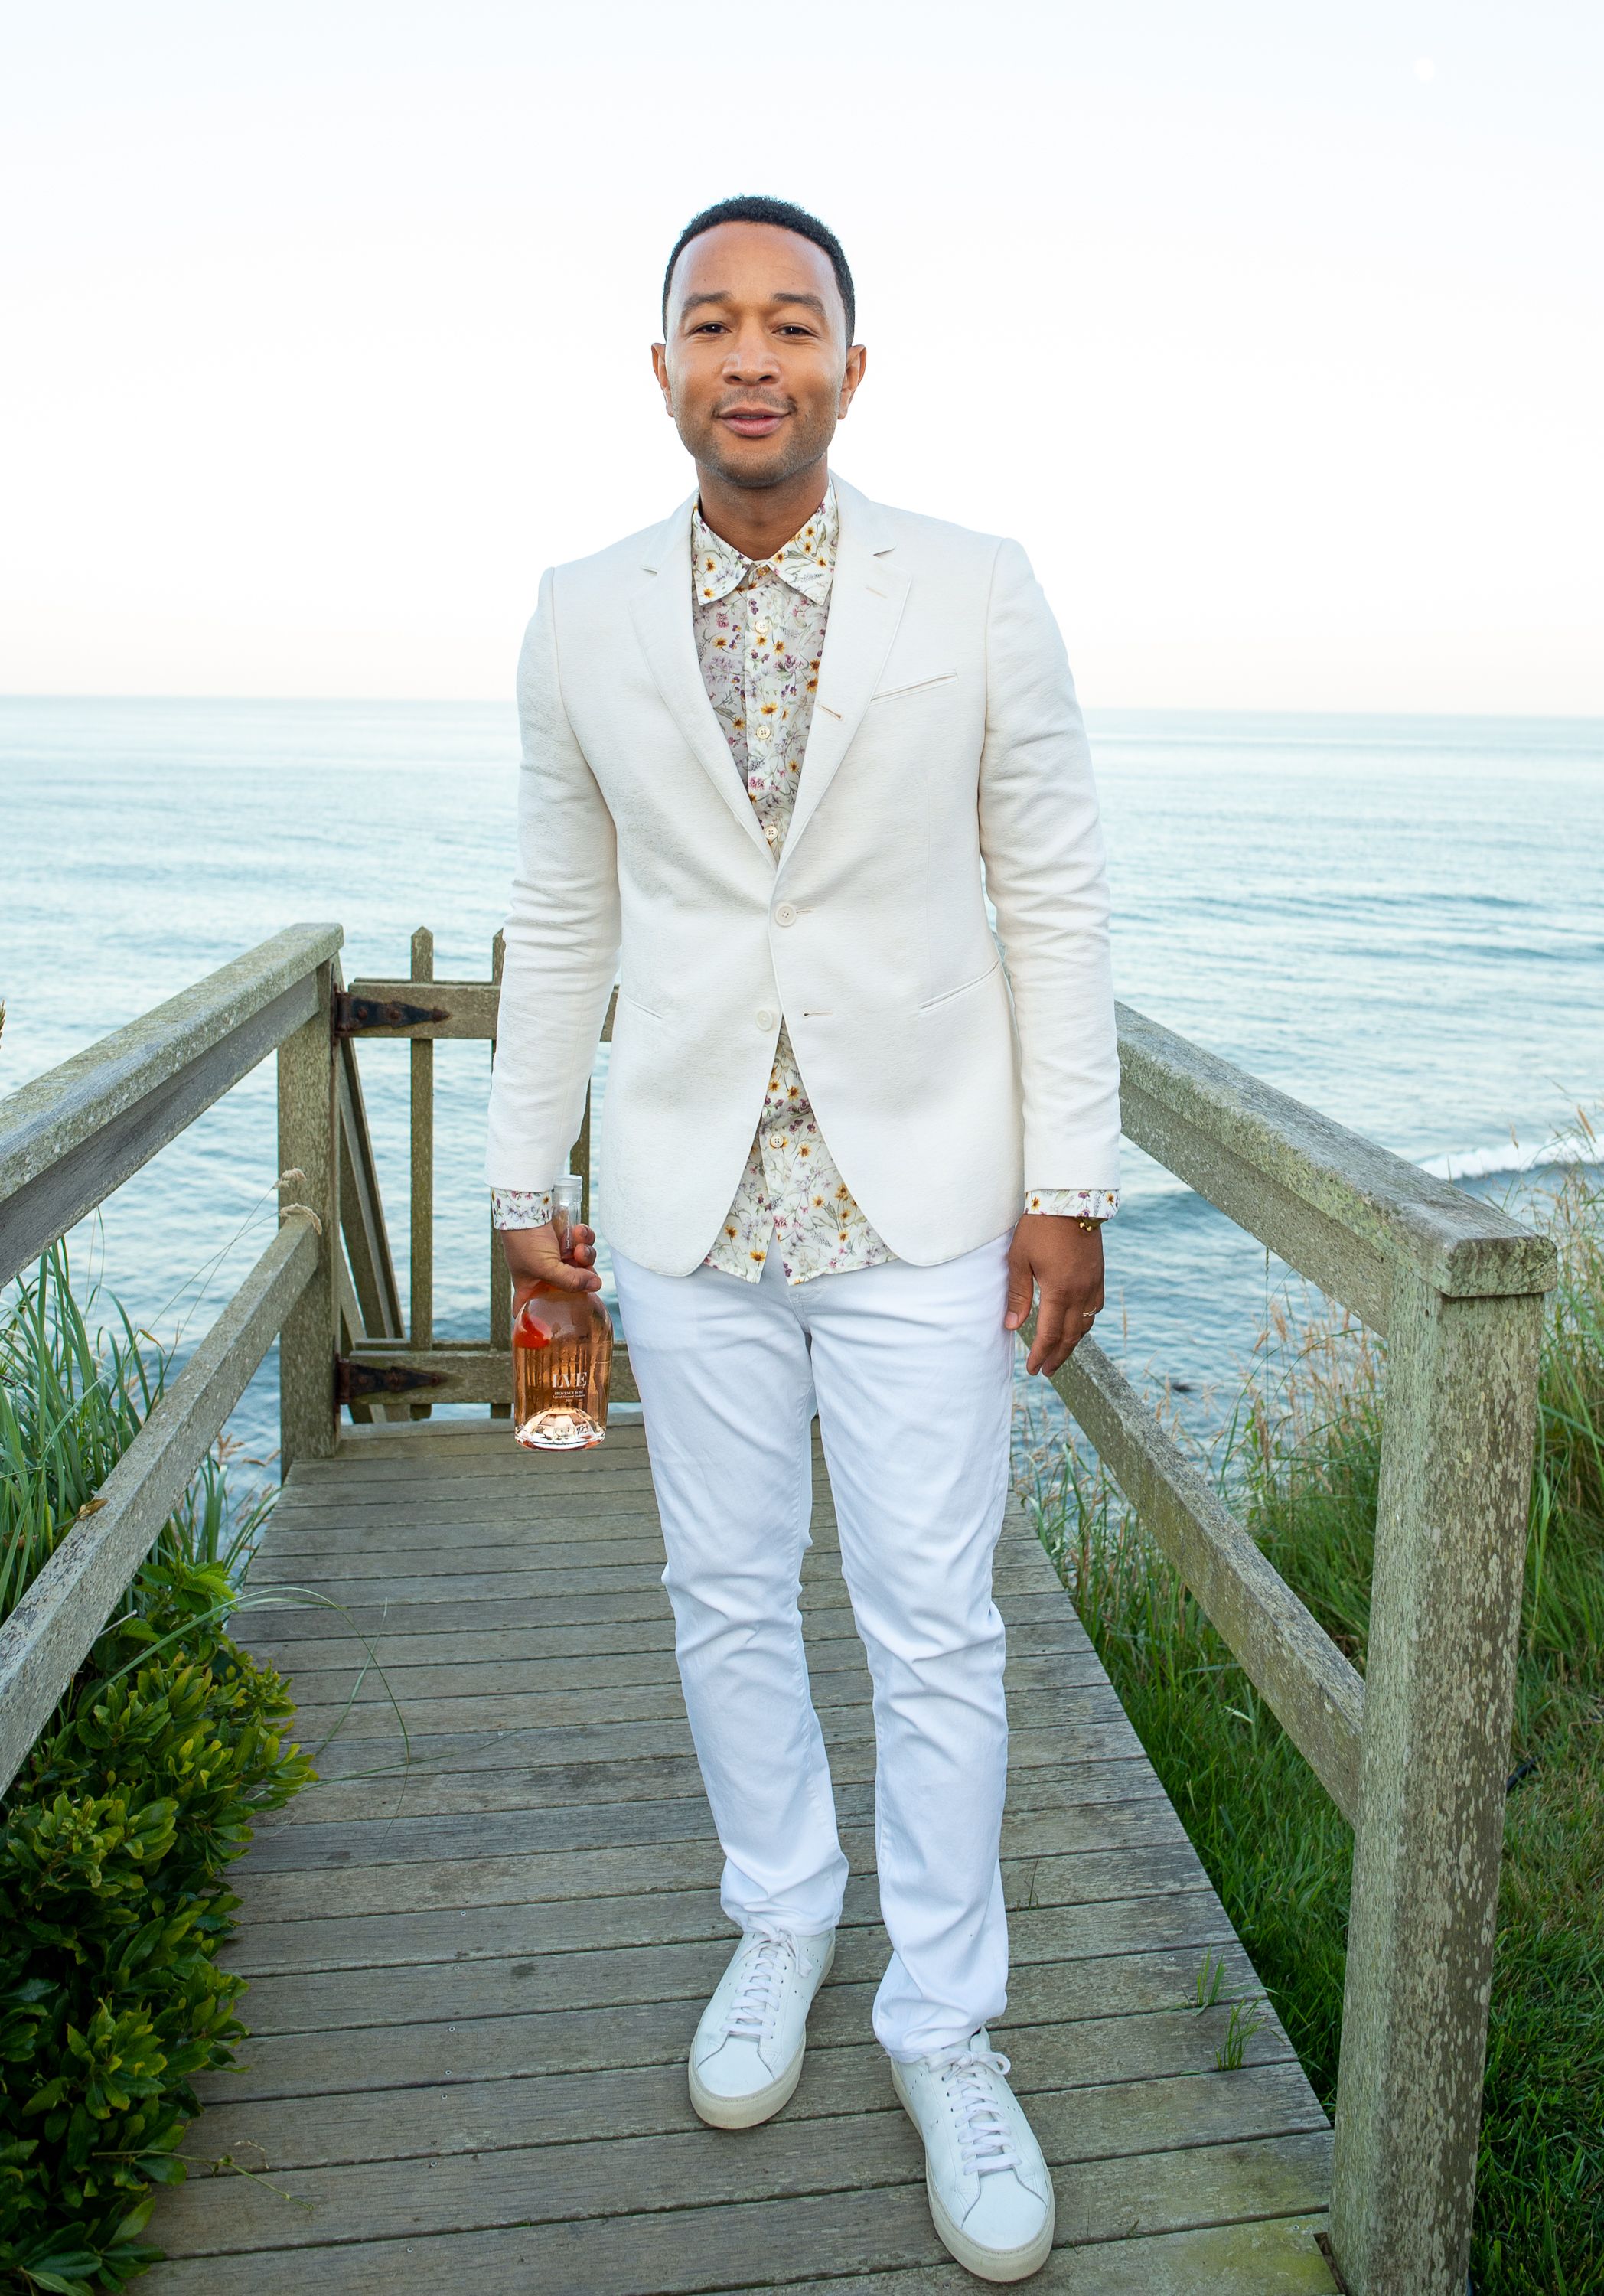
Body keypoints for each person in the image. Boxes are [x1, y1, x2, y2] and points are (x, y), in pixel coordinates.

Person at [486, 194, 1119, 2285]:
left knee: (936, 1625)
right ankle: (786, 1913)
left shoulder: (980, 588)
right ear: (661, 365)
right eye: (709, 322)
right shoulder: (579, 611)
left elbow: (1052, 890)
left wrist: (1070, 1186)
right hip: (683, 1201)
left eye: (792, 322)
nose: (750, 355)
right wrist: (521, 1191)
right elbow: (564, 913)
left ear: (851, 362)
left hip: (928, 1192)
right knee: (722, 1594)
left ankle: (948, 2026)